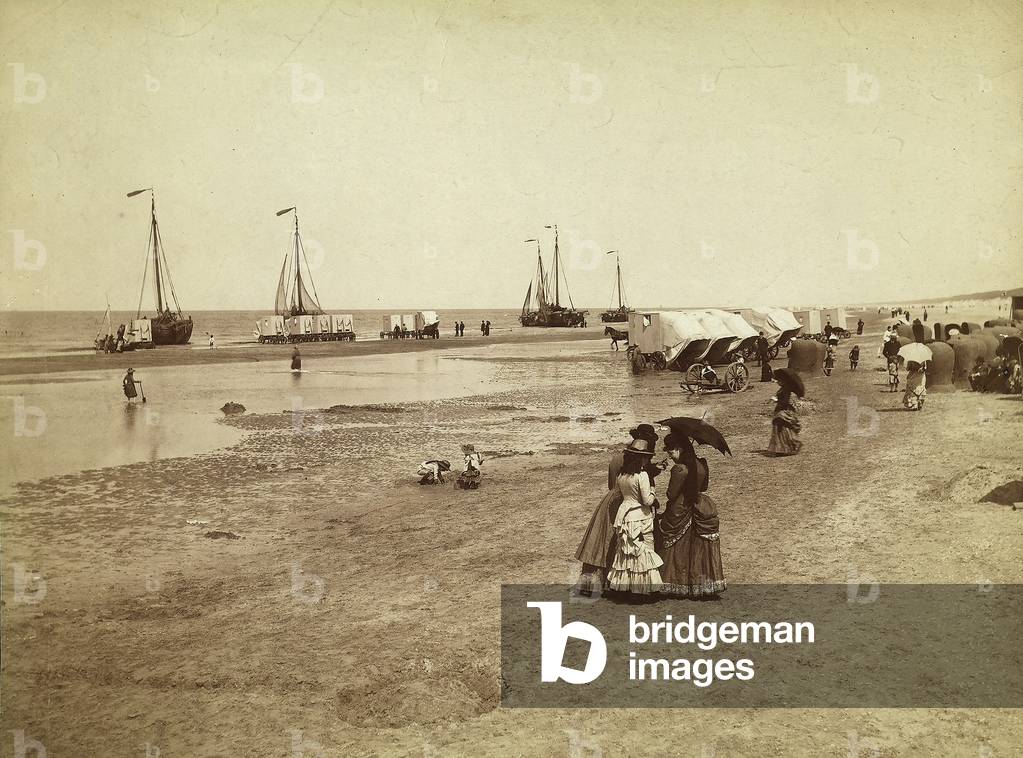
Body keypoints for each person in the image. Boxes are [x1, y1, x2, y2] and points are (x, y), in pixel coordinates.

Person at [574, 425, 662, 595]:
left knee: (600, 543)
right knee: (624, 543)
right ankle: (619, 582)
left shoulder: (616, 459)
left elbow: (611, 485)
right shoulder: (641, 467)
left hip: (611, 502)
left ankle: (592, 584)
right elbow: (641, 488)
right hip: (630, 507)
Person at [655, 432, 726, 598]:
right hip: (699, 505)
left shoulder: (679, 469)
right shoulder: (701, 464)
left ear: (679, 449)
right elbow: (705, 487)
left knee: (675, 547)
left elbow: (671, 494)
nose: (671, 456)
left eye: (671, 452)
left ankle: (674, 582)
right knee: (697, 547)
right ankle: (699, 584)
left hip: (680, 508)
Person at [607, 438, 663, 594]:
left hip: (625, 515)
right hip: (640, 517)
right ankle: (644, 589)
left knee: (627, 553)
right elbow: (647, 500)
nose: (647, 459)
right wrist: (653, 489)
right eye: (645, 456)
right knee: (644, 552)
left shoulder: (622, 475)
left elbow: (618, 494)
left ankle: (626, 587)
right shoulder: (642, 475)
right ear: (641, 458)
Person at [767, 370, 802, 456]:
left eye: (779, 381)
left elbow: (785, 402)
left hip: (783, 411)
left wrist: (777, 400)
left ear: (783, 381)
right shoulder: (783, 389)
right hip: (780, 410)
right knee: (779, 430)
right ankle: (782, 448)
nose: (777, 382)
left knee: (782, 429)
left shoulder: (786, 390)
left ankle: (788, 446)